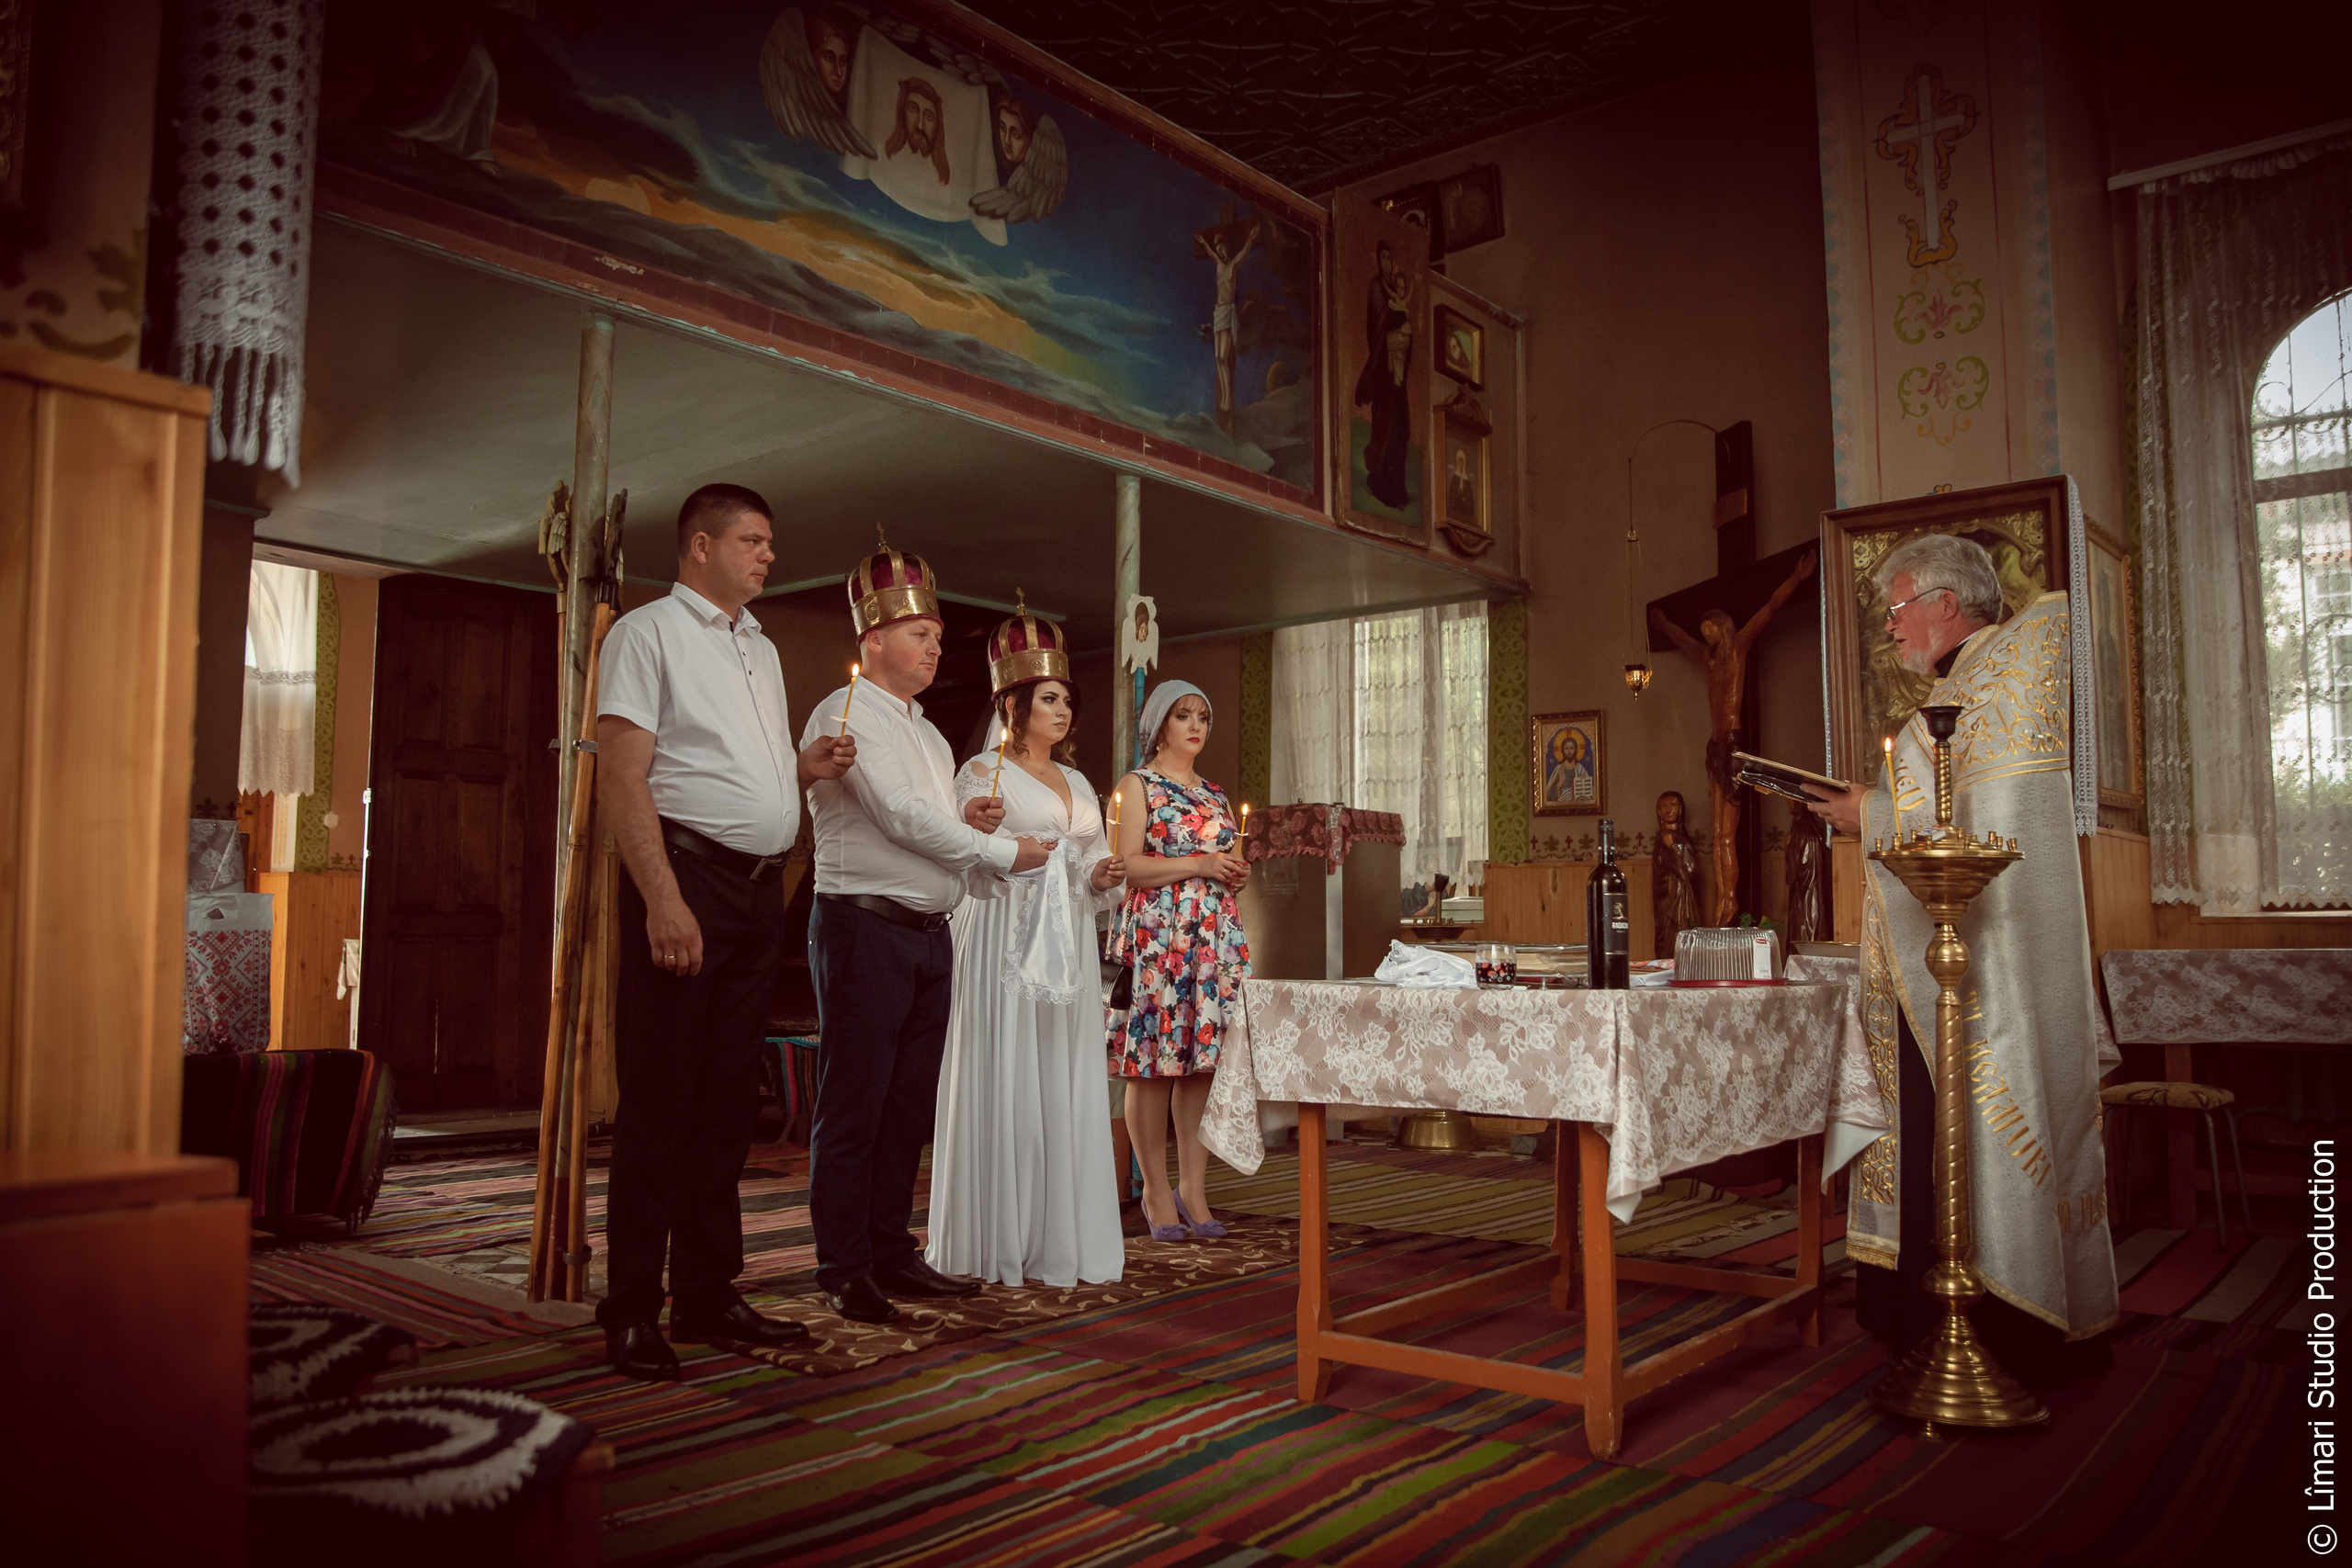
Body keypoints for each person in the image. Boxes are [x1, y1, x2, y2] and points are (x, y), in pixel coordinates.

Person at [1804, 533, 2117, 1384]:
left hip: (1967, 977)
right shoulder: (1981, 685)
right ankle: (1952, 1312)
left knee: (1956, 1128)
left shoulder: (1984, 688)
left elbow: (1960, 833)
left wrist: (1861, 810)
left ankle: (1991, 1319)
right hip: (1949, 964)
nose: (1894, 629)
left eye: (1900, 609)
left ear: (1946, 603)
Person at [593, 483, 854, 1381]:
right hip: (685, 880)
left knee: (723, 1107)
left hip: (753, 893)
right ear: (698, 546)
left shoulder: (761, 646)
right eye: (751, 541)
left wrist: (801, 768)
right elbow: (625, 778)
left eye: (770, 544)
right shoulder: (644, 634)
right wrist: (662, 899)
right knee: (660, 1103)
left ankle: (706, 1291)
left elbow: (735, 766)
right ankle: (629, 1306)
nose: (767, 556)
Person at [801, 538, 1054, 1325]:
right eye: (921, 634)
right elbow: (903, 822)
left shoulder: (933, 735)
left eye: (939, 635)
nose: (934, 645)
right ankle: (843, 1265)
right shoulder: (843, 713)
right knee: (857, 1104)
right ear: (872, 638)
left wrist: (969, 827)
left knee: (908, 1105)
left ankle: (889, 1250)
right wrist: (1003, 849)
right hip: (863, 925)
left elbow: (938, 832)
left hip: (927, 931)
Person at [926, 603, 1128, 1286]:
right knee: (1006, 1071)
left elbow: (1094, 863)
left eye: (1067, 698)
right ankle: (995, 1237)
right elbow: (958, 851)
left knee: (1061, 1075)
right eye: (1049, 697)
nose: (1063, 709)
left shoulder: (1076, 782)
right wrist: (987, 835)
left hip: (1065, 942)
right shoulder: (980, 773)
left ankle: (1059, 1235)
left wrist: (1103, 874)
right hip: (1002, 937)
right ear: (1014, 702)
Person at [1109, 681, 1250, 1242]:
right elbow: (1127, 868)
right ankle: (1155, 1190)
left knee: (1201, 1065)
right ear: (1159, 725)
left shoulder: (1215, 794)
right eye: (1182, 715)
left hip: (1212, 942)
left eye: (1203, 717)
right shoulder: (1137, 785)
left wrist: (1234, 873)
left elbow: (1227, 864)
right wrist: (1201, 864)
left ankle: (1194, 1186)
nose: (1195, 726)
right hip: (1159, 939)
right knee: (1153, 1063)